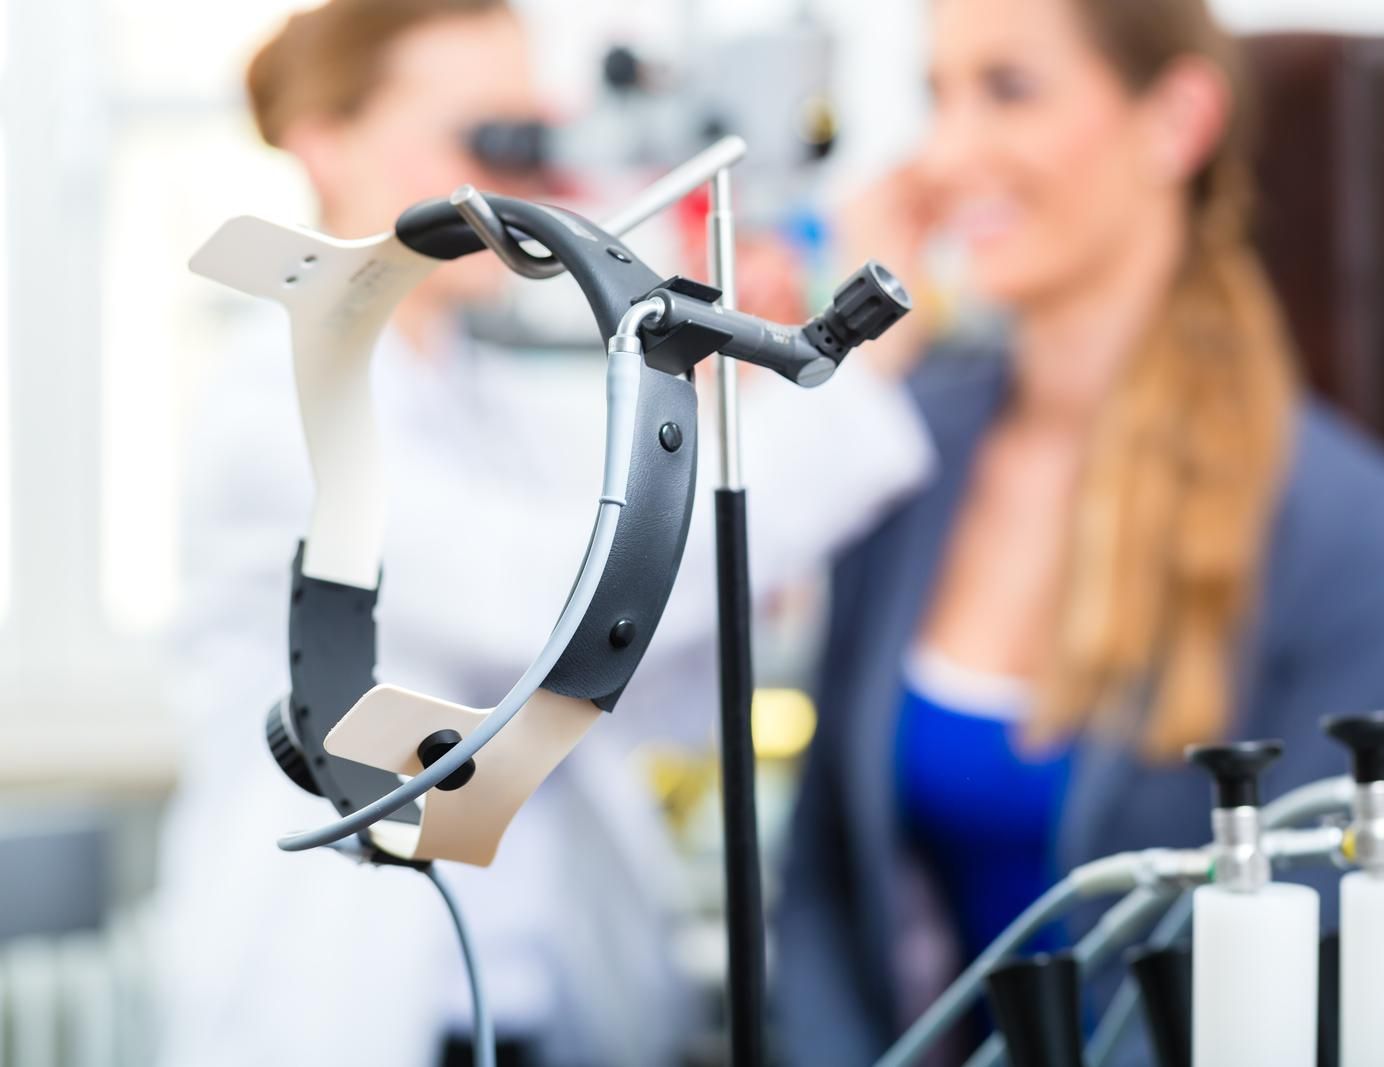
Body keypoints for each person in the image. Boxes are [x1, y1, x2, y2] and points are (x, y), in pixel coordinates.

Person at [154, 1, 936, 1064]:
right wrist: (864, 384)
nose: (522, 184)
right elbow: (544, 609)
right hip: (340, 999)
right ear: (324, 142)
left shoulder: (488, 397)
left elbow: (645, 669)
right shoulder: (274, 405)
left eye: (533, 137)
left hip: (546, 1004)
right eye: (487, 136)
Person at [776, 0, 1384, 1061]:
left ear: (1175, 120)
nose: (944, 156)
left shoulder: (1355, 526)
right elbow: (817, 882)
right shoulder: (900, 452)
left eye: (1010, 89)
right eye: (933, 96)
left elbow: (1316, 953)